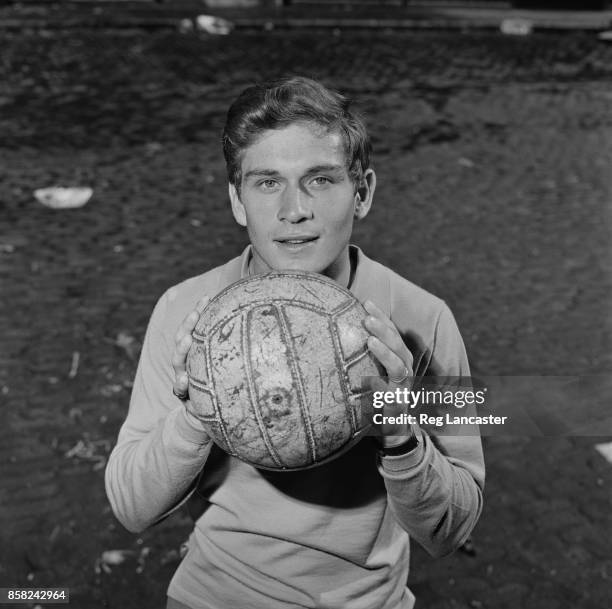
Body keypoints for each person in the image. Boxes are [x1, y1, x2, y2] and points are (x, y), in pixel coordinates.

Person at [105, 76, 485, 609]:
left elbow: (452, 528)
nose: (293, 210)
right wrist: (195, 414)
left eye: (321, 180)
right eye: (267, 183)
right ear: (237, 201)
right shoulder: (186, 310)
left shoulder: (423, 319)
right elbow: (130, 506)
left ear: (364, 193)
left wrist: (400, 430)